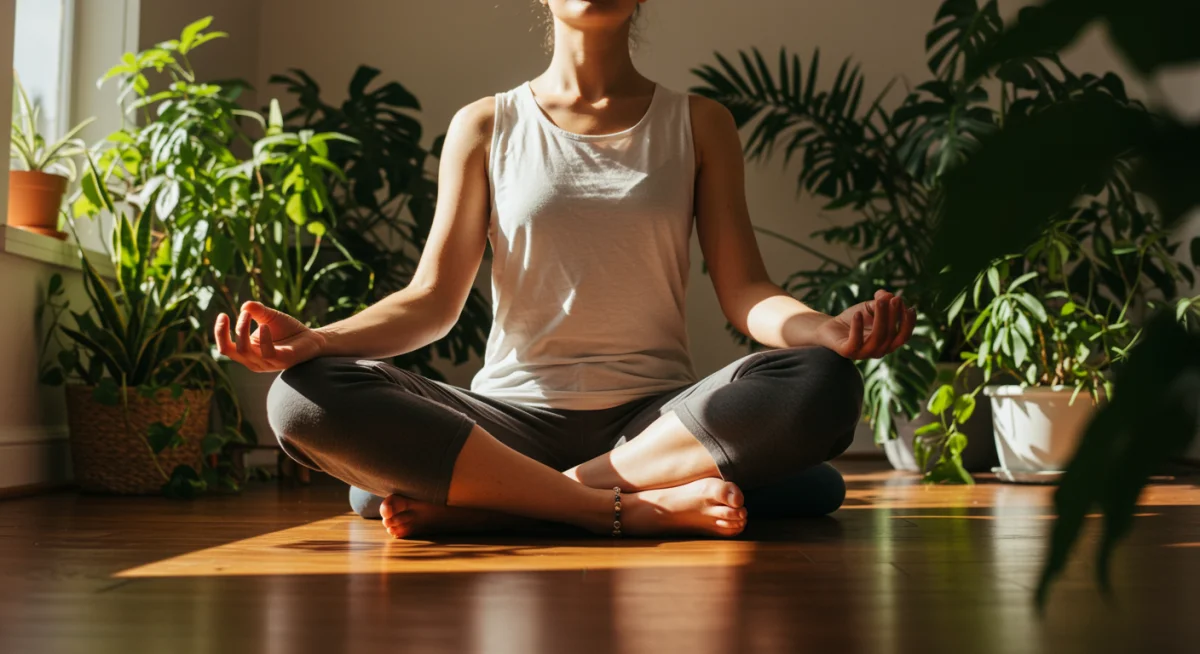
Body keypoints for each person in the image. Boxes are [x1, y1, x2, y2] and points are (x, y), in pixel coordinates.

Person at [213, 0, 915, 539]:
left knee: (821, 384)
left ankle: (518, 502)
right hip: (508, 419)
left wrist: (825, 330)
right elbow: (431, 301)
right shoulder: (487, 125)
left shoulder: (700, 124)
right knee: (299, 401)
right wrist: (317, 342)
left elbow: (746, 292)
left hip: (654, 423)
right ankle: (619, 509)